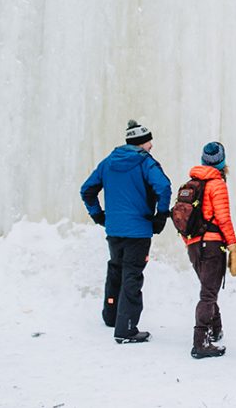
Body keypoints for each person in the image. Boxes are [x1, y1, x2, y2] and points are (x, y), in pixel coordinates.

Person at [80, 119, 173, 344]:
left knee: (116, 269)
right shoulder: (145, 162)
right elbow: (163, 187)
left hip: (114, 229)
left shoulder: (108, 162)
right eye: (149, 142)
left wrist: (98, 215)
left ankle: (111, 315)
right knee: (132, 275)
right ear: (141, 143)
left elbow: (87, 190)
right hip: (138, 230)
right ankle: (127, 329)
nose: (151, 145)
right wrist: (161, 215)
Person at [182, 141, 236, 359]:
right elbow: (223, 219)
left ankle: (216, 329)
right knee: (208, 294)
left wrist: (190, 242)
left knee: (209, 289)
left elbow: (181, 218)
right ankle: (201, 342)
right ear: (222, 162)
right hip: (213, 245)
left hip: (194, 245)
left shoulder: (190, 184)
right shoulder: (217, 185)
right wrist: (233, 245)